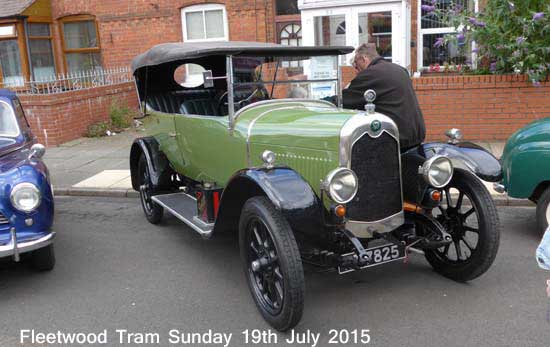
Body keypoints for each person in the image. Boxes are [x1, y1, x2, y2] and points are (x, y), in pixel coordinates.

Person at [343, 43, 426, 149]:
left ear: (364, 59)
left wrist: (323, 101)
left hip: (395, 139)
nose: (355, 69)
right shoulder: (399, 69)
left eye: (355, 63)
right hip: (415, 136)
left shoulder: (370, 74)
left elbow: (345, 100)